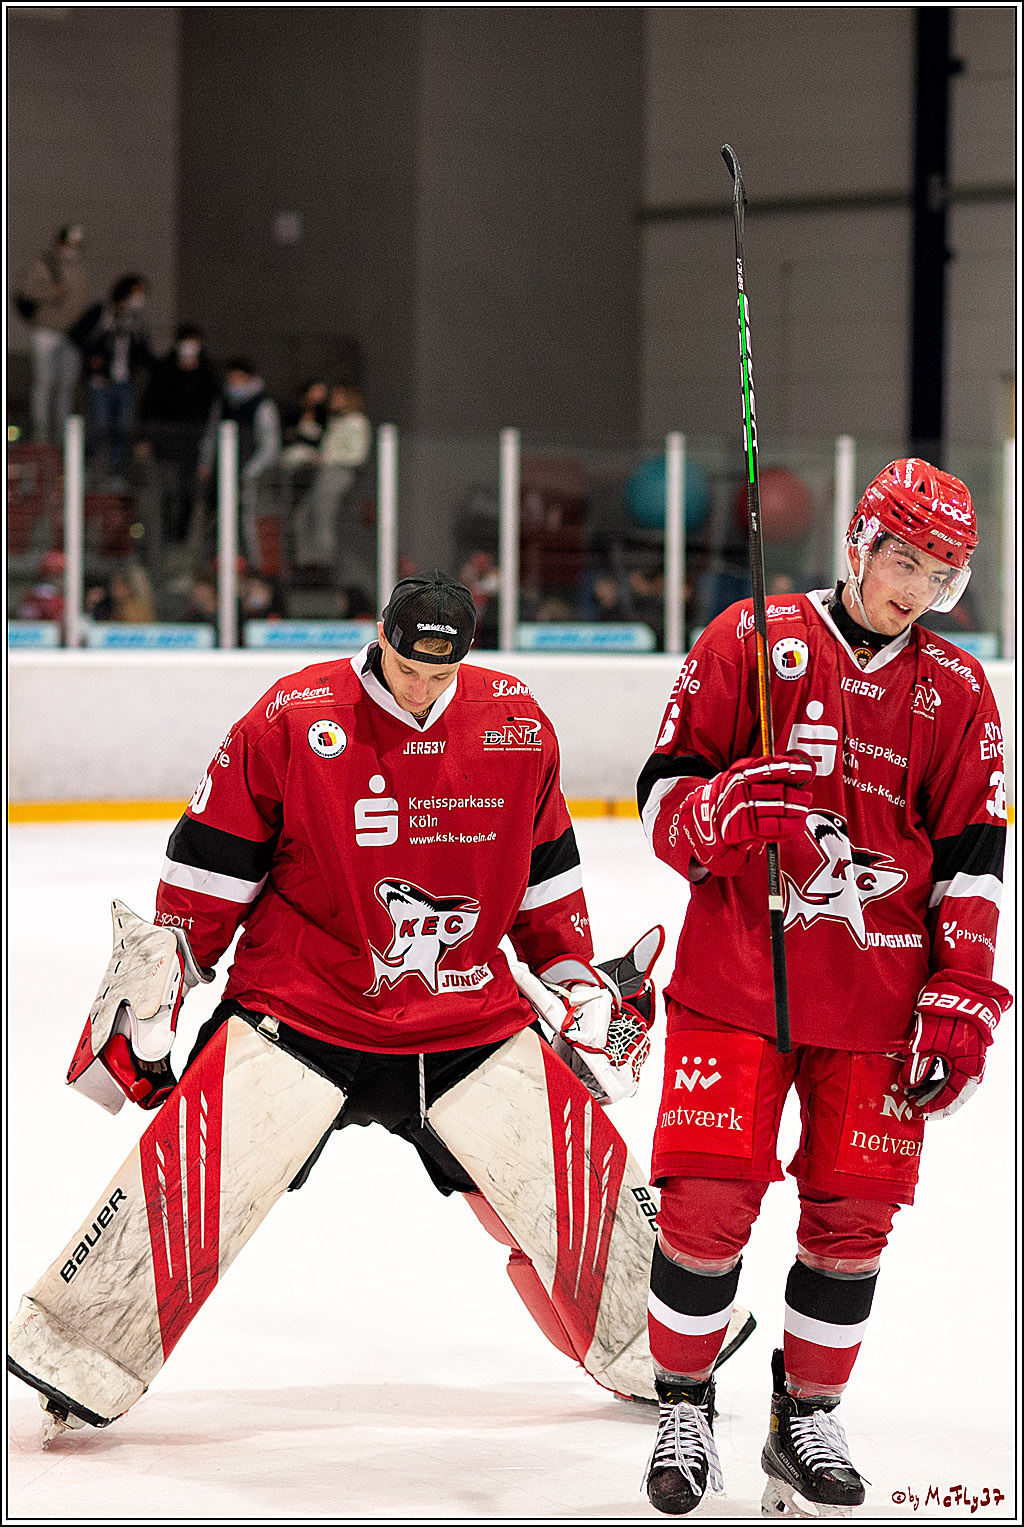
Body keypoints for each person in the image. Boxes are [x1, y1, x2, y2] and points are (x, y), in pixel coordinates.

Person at [8, 571, 754, 1449]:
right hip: (303, 1009)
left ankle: (658, 1349)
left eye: (442, 676)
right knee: (194, 1180)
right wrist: (165, 977)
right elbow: (209, 868)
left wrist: (579, 984)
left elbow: (547, 880)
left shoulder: (516, 724)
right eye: (406, 667)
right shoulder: (293, 715)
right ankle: (76, 1351)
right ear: (380, 637)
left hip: (466, 1020)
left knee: (584, 1188)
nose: (422, 689)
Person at [636, 459, 1011, 1517]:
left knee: (852, 1220)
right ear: (857, 544)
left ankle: (802, 1418)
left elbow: (975, 862)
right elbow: (661, 799)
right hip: (734, 983)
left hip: (878, 1008)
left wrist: (962, 990)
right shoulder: (747, 639)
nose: (912, 591)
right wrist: (718, 813)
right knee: (705, 1208)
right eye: (901, 561)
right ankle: (682, 1403)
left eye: (938, 578)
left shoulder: (959, 693)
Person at [136, 326, 219, 546]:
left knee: (188, 492)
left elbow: (214, 412)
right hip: (165, 440)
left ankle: (180, 537)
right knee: (167, 490)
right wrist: (143, 437)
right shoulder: (164, 370)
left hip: (193, 443)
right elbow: (149, 404)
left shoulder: (207, 375)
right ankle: (166, 534)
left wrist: (207, 455)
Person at [70, 274, 152, 489]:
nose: (140, 299)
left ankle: (115, 472)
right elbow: (76, 334)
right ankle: (87, 470)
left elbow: (142, 351)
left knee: (122, 429)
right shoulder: (102, 312)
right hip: (101, 382)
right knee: (99, 427)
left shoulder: (134, 320)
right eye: (137, 293)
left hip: (124, 382)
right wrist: (92, 359)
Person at [199, 358, 281, 569]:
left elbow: (270, 446)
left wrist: (251, 471)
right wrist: (206, 462)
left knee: (247, 521)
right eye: (231, 378)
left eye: (239, 378)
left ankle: (255, 565)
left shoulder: (263, 405)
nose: (234, 382)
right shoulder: (222, 403)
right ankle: (215, 562)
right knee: (217, 519)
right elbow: (211, 434)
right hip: (222, 476)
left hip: (249, 477)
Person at [16, 223, 88, 445]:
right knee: (44, 382)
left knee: (67, 385)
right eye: (68, 244)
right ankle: (41, 431)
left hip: (72, 334)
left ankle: (61, 433)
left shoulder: (80, 267)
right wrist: (52, 292)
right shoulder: (44, 263)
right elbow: (26, 293)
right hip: (46, 330)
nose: (72, 248)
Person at [293, 383, 372, 580]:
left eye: (338, 396)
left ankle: (323, 567)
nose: (333, 400)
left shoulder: (356, 422)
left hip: (338, 473)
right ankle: (309, 564)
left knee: (324, 519)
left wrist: (327, 459)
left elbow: (357, 455)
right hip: (326, 472)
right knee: (305, 516)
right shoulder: (339, 420)